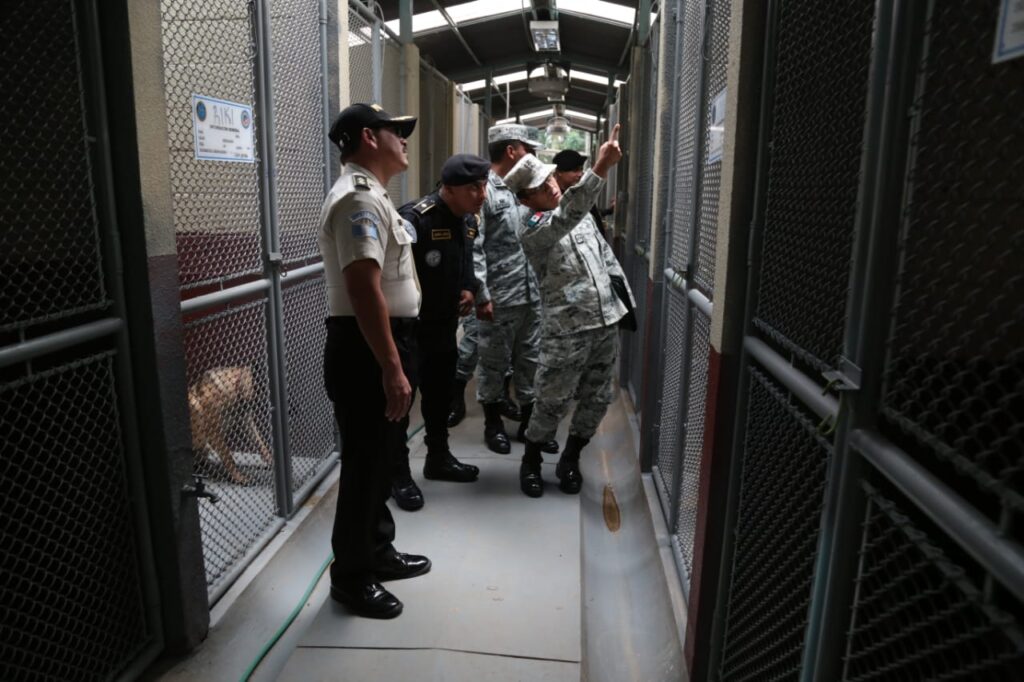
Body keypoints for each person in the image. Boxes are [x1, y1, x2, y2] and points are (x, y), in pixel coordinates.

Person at [319, 103, 429, 618]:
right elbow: (363, 290)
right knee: (365, 463)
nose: (404, 140)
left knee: (382, 455)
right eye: (396, 132)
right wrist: (390, 366)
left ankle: (377, 552)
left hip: (384, 343)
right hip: (367, 349)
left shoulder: (376, 196)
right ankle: (352, 577)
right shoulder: (357, 201)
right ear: (368, 137)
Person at [502, 125, 631, 497]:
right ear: (526, 199)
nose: (552, 188)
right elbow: (566, 217)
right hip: (566, 330)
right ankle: (531, 461)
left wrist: (621, 305)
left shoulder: (580, 215)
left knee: (597, 398)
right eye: (542, 188)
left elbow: (606, 259)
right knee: (551, 400)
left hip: (604, 322)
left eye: (550, 181)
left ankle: (571, 458)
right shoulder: (532, 228)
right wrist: (601, 169)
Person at [388, 154, 490, 511]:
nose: (481, 194)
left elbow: (465, 260)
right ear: (447, 188)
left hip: (444, 326)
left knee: (438, 396)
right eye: (473, 188)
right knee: (402, 403)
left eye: (483, 185)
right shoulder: (416, 218)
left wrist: (469, 288)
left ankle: (438, 458)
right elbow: (394, 274)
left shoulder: (466, 220)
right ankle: (397, 473)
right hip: (410, 329)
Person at [473, 124, 558, 455]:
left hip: (531, 293)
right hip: (499, 296)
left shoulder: (527, 187)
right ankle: (492, 425)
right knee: (493, 363)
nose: (533, 155)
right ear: (511, 150)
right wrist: (481, 294)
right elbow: (475, 246)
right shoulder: (485, 190)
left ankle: (528, 424)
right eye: (527, 148)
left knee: (531, 360)